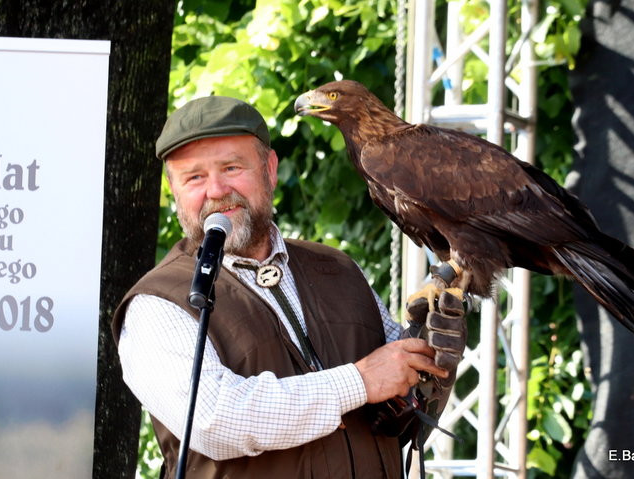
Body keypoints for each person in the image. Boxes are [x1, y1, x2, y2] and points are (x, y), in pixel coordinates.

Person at [112, 95, 467, 478]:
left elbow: (399, 405)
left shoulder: (339, 269)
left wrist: (430, 362)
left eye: (231, 167)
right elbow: (214, 419)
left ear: (270, 169)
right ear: (174, 190)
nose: (215, 190)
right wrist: (358, 382)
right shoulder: (156, 302)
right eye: (194, 177)